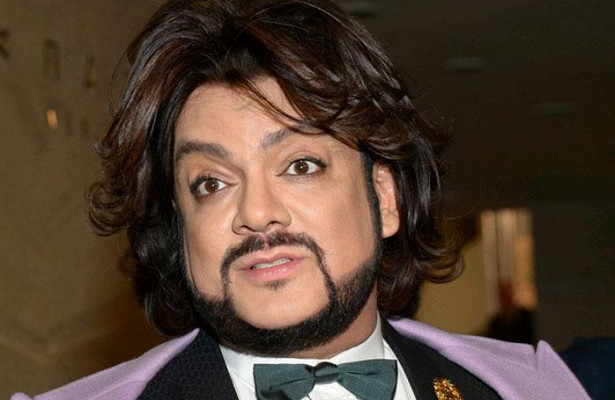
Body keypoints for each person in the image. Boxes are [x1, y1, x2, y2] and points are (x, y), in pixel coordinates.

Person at [12, 0, 589, 399]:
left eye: (300, 166)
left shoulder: (528, 389)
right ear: (180, 229)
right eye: (211, 182)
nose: (257, 213)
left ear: (384, 199)